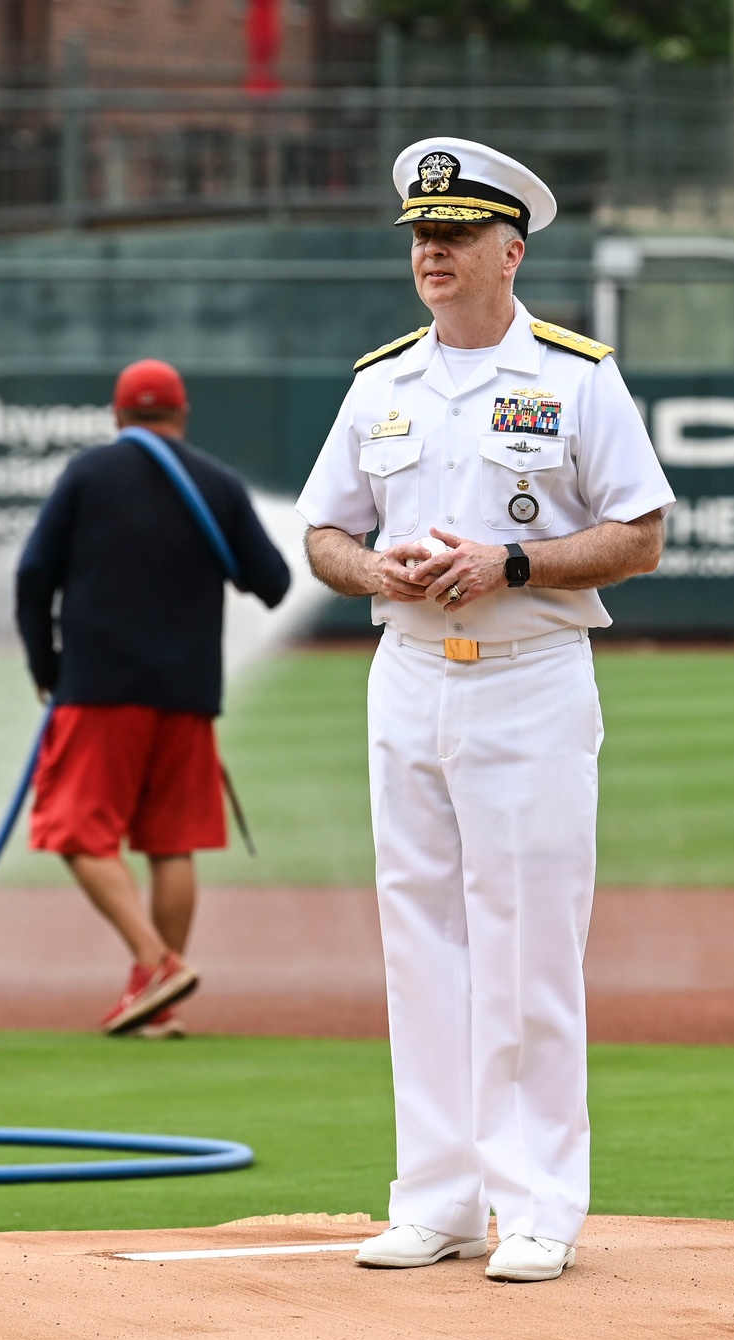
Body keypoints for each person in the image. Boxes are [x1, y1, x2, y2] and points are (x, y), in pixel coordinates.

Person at [297, 138, 674, 1281]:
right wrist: (378, 573)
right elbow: (322, 535)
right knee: (419, 942)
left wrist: (512, 564)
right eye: (421, 235)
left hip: (527, 678)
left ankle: (541, 1205)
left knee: (528, 946)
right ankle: (440, 1199)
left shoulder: (576, 376)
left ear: (510, 252)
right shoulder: (381, 382)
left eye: (454, 236)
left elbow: (640, 534)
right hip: (407, 676)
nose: (431, 252)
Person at [16, 358, 290, 1038]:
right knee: (171, 846)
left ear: (117, 417)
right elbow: (276, 582)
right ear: (182, 415)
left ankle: (154, 962)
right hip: (187, 695)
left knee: (75, 831)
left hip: (98, 688)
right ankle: (157, 1005)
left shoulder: (87, 473)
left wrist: (45, 663)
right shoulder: (217, 483)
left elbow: (31, 573)